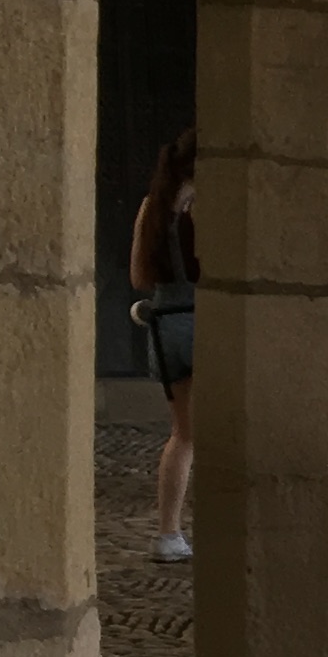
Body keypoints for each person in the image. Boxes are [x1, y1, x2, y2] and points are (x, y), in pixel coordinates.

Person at [127, 128, 197, 563]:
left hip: (165, 325)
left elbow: (139, 277)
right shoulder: (206, 204)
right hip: (205, 320)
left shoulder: (151, 207)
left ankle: (168, 534)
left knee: (183, 435)